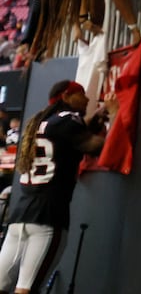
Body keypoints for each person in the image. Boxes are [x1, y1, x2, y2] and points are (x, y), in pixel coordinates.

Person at [0, 81, 110, 294]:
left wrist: (93, 122)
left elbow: (67, 136)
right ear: (66, 96)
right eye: (82, 94)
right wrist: (115, 117)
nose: (87, 99)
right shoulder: (68, 120)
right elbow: (98, 148)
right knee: (26, 289)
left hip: (19, 216)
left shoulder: (39, 121)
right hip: (47, 216)